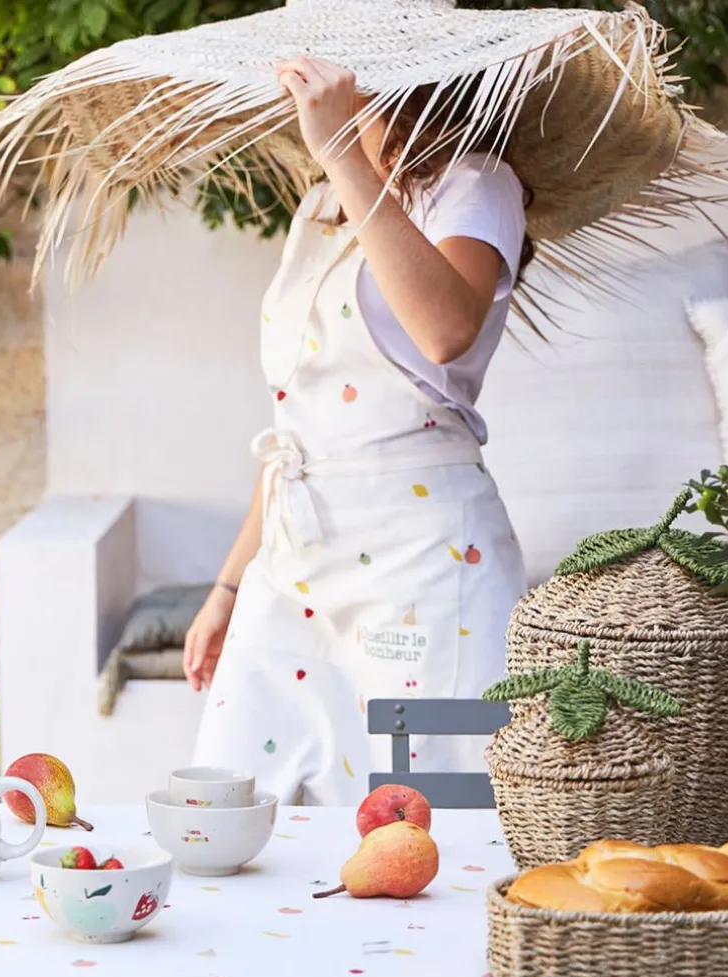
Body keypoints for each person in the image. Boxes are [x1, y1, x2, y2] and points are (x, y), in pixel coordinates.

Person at [182, 56, 530, 806]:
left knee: (424, 826)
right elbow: (296, 428)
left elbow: (445, 331)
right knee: (232, 814)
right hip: (296, 557)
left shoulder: (474, 186)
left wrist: (342, 150)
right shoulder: (317, 208)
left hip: (425, 562)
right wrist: (228, 585)